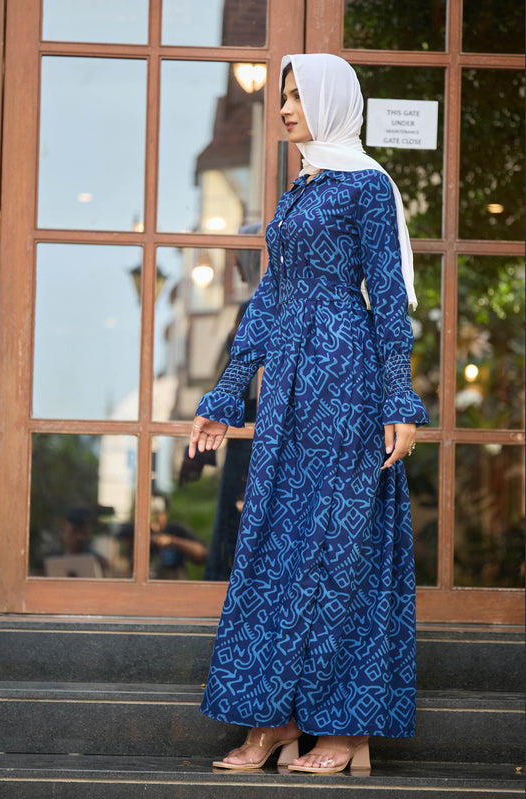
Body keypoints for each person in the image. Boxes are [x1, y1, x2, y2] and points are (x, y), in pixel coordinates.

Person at [188, 53, 429, 775]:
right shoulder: (301, 188)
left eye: (297, 96)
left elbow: (386, 297)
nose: (286, 108)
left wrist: (398, 399)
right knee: (277, 544)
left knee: (338, 549)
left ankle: (345, 728)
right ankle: (278, 718)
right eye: (284, 96)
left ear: (330, 102)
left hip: (345, 382)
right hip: (290, 385)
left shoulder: (364, 185)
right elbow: (267, 299)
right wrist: (226, 395)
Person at [149, 492, 207, 580]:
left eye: (158, 513)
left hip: (174, 588)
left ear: (165, 514)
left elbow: (202, 554)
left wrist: (172, 541)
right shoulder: (138, 532)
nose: (155, 518)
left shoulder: (175, 530)